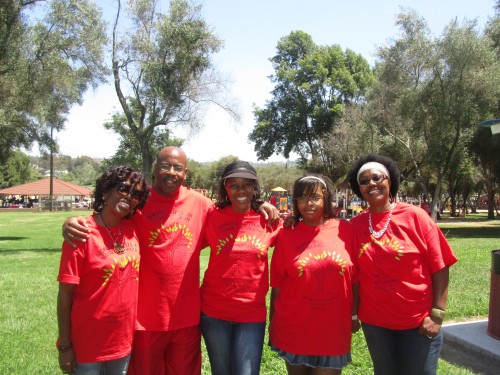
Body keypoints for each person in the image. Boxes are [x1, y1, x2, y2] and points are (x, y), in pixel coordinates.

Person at [62, 147, 279, 375]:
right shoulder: (139, 201)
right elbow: (108, 218)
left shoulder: (201, 204)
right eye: (165, 166)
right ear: (155, 168)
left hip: (187, 318)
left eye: (178, 168)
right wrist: (73, 222)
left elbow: (235, 210)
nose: (171, 172)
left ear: (185, 173)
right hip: (145, 321)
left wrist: (260, 204)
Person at [346, 154, 458, 375]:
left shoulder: (416, 217)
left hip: (418, 323)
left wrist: (437, 314)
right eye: (364, 181)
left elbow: (440, 266)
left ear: (390, 181)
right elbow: (354, 275)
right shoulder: (354, 226)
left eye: (377, 177)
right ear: (359, 189)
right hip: (375, 324)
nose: (372, 184)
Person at [57, 166, 149, 374]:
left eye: (136, 194)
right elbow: (65, 294)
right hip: (87, 344)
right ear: (106, 191)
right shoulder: (81, 233)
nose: (129, 196)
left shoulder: (133, 228)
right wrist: (64, 346)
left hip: (122, 342)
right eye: (123, 188)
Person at [269, 174, 359, 375]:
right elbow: (277, 285)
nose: (308, 203)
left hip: (333, 331)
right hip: (293, 329)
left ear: (326, 199)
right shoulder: (287, 234)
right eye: (301, 197)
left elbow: (355, 280)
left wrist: (354, 315)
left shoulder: (345, 230)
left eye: (315, 197)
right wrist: (272, 323)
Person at [200, 161, 282, 375]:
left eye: (247, 184)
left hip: (251, 313)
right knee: (221, 371)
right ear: (225, 188)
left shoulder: (269, 220)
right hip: (213, 311)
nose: (241, 190)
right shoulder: (212, 216)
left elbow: (296, 236)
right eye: (233, 185)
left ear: (255, 187)